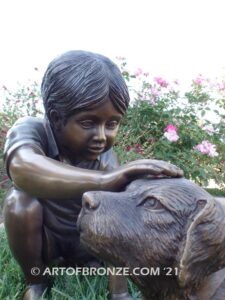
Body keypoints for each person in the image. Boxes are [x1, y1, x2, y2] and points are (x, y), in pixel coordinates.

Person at [3, 50, 183, 300]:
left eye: (112, 124)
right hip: (45, 238)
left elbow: (118, 223)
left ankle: (89, 267)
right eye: (88, 123)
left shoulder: (107, 159)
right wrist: (105, 180)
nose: (101, 136)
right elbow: (23, 168)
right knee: (19, 202)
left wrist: (119, 293)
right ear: (56, 118)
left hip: (87, 241)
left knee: (119, 208)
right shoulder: (31, 130)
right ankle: (36, 280)